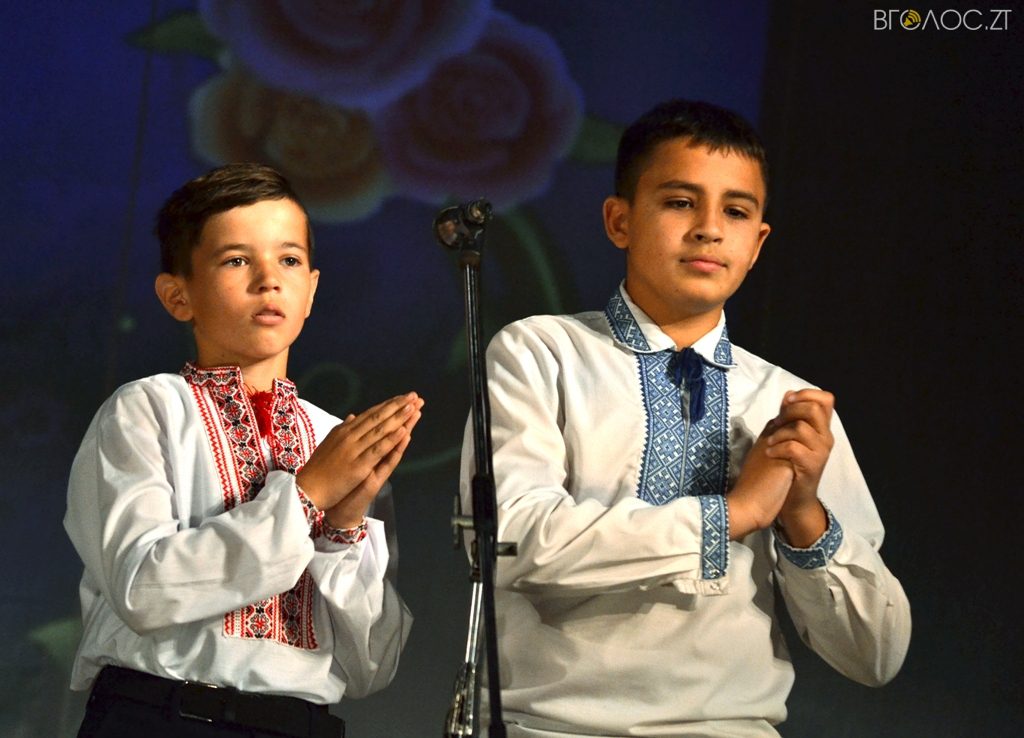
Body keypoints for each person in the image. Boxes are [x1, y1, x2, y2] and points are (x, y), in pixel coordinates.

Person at [460, 100, 911, 737]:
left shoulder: (787, 402)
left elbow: (877, 653)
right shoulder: (542, 353)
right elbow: (507, 543)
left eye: (736, 211)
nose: (708, 230)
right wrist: (734, 514)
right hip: (548, 725)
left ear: (757, 244)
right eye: (679, 202)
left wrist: (802, 514)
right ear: (619, 221)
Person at [65, 163, 423, 738]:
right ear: (178, 295)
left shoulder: (331, 436)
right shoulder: (147, 408)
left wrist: (342, 529)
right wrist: (306, 495)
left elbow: (371, 667)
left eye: (289, 260)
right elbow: (142, 591)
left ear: (312, 291)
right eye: (236, 260)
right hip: (162, 717)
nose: (268, 280)